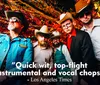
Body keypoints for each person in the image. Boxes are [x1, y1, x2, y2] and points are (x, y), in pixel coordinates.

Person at [57, 12, 98, 85]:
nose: (66, 27)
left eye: (68, 24)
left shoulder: (83, 35)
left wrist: (85, 77)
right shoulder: (68, 38)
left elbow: (88, 59)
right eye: (63, 26)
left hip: (88, 76)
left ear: (72, 23)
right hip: (78, 74)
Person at [0, 10, 33, 85]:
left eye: (15, 19)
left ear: (22, 26)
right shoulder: (1, 37)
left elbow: (27, 63)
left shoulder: (27, 42)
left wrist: (7, 74)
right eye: (10, 19)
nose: (11, 21)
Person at [75, 0, 100, 84]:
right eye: (81, 15)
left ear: (91, 12)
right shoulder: (81, 34)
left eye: (87, 13)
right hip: (96, 66)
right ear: (79, 18)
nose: (85, 16)